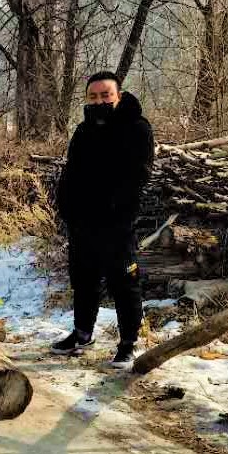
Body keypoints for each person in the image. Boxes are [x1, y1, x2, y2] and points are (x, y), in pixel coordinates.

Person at [51, 71, 154, 369]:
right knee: (84, 281)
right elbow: (71, 173)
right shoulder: (83, 131)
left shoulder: (137, 128)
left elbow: (138, 176)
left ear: (118, 96)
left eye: (106, 95)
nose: (99, 101)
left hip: (117, 223)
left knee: (124, 284)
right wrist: (67, 209)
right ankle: (82, 334)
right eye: (93, 96)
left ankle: (128, 344)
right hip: (82, 223)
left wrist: (117, 211)